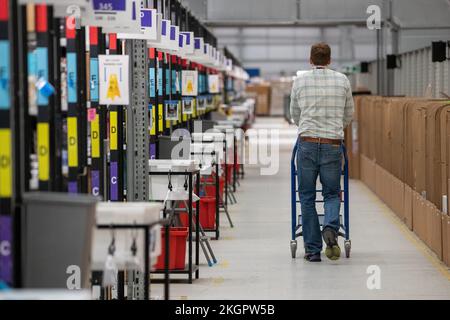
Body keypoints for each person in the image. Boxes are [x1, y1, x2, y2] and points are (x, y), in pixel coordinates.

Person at [290, 42, 354, 262]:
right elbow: (349, 114)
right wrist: (335, 127)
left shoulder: (299, 81)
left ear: (310, 60)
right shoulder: (342, 80)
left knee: (306, 196)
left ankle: (312, 249)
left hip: (306, 143)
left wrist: (307, 126)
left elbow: (294, 114)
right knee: (331, 193)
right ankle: (330, 227)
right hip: (332, 144)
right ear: (329, 60)